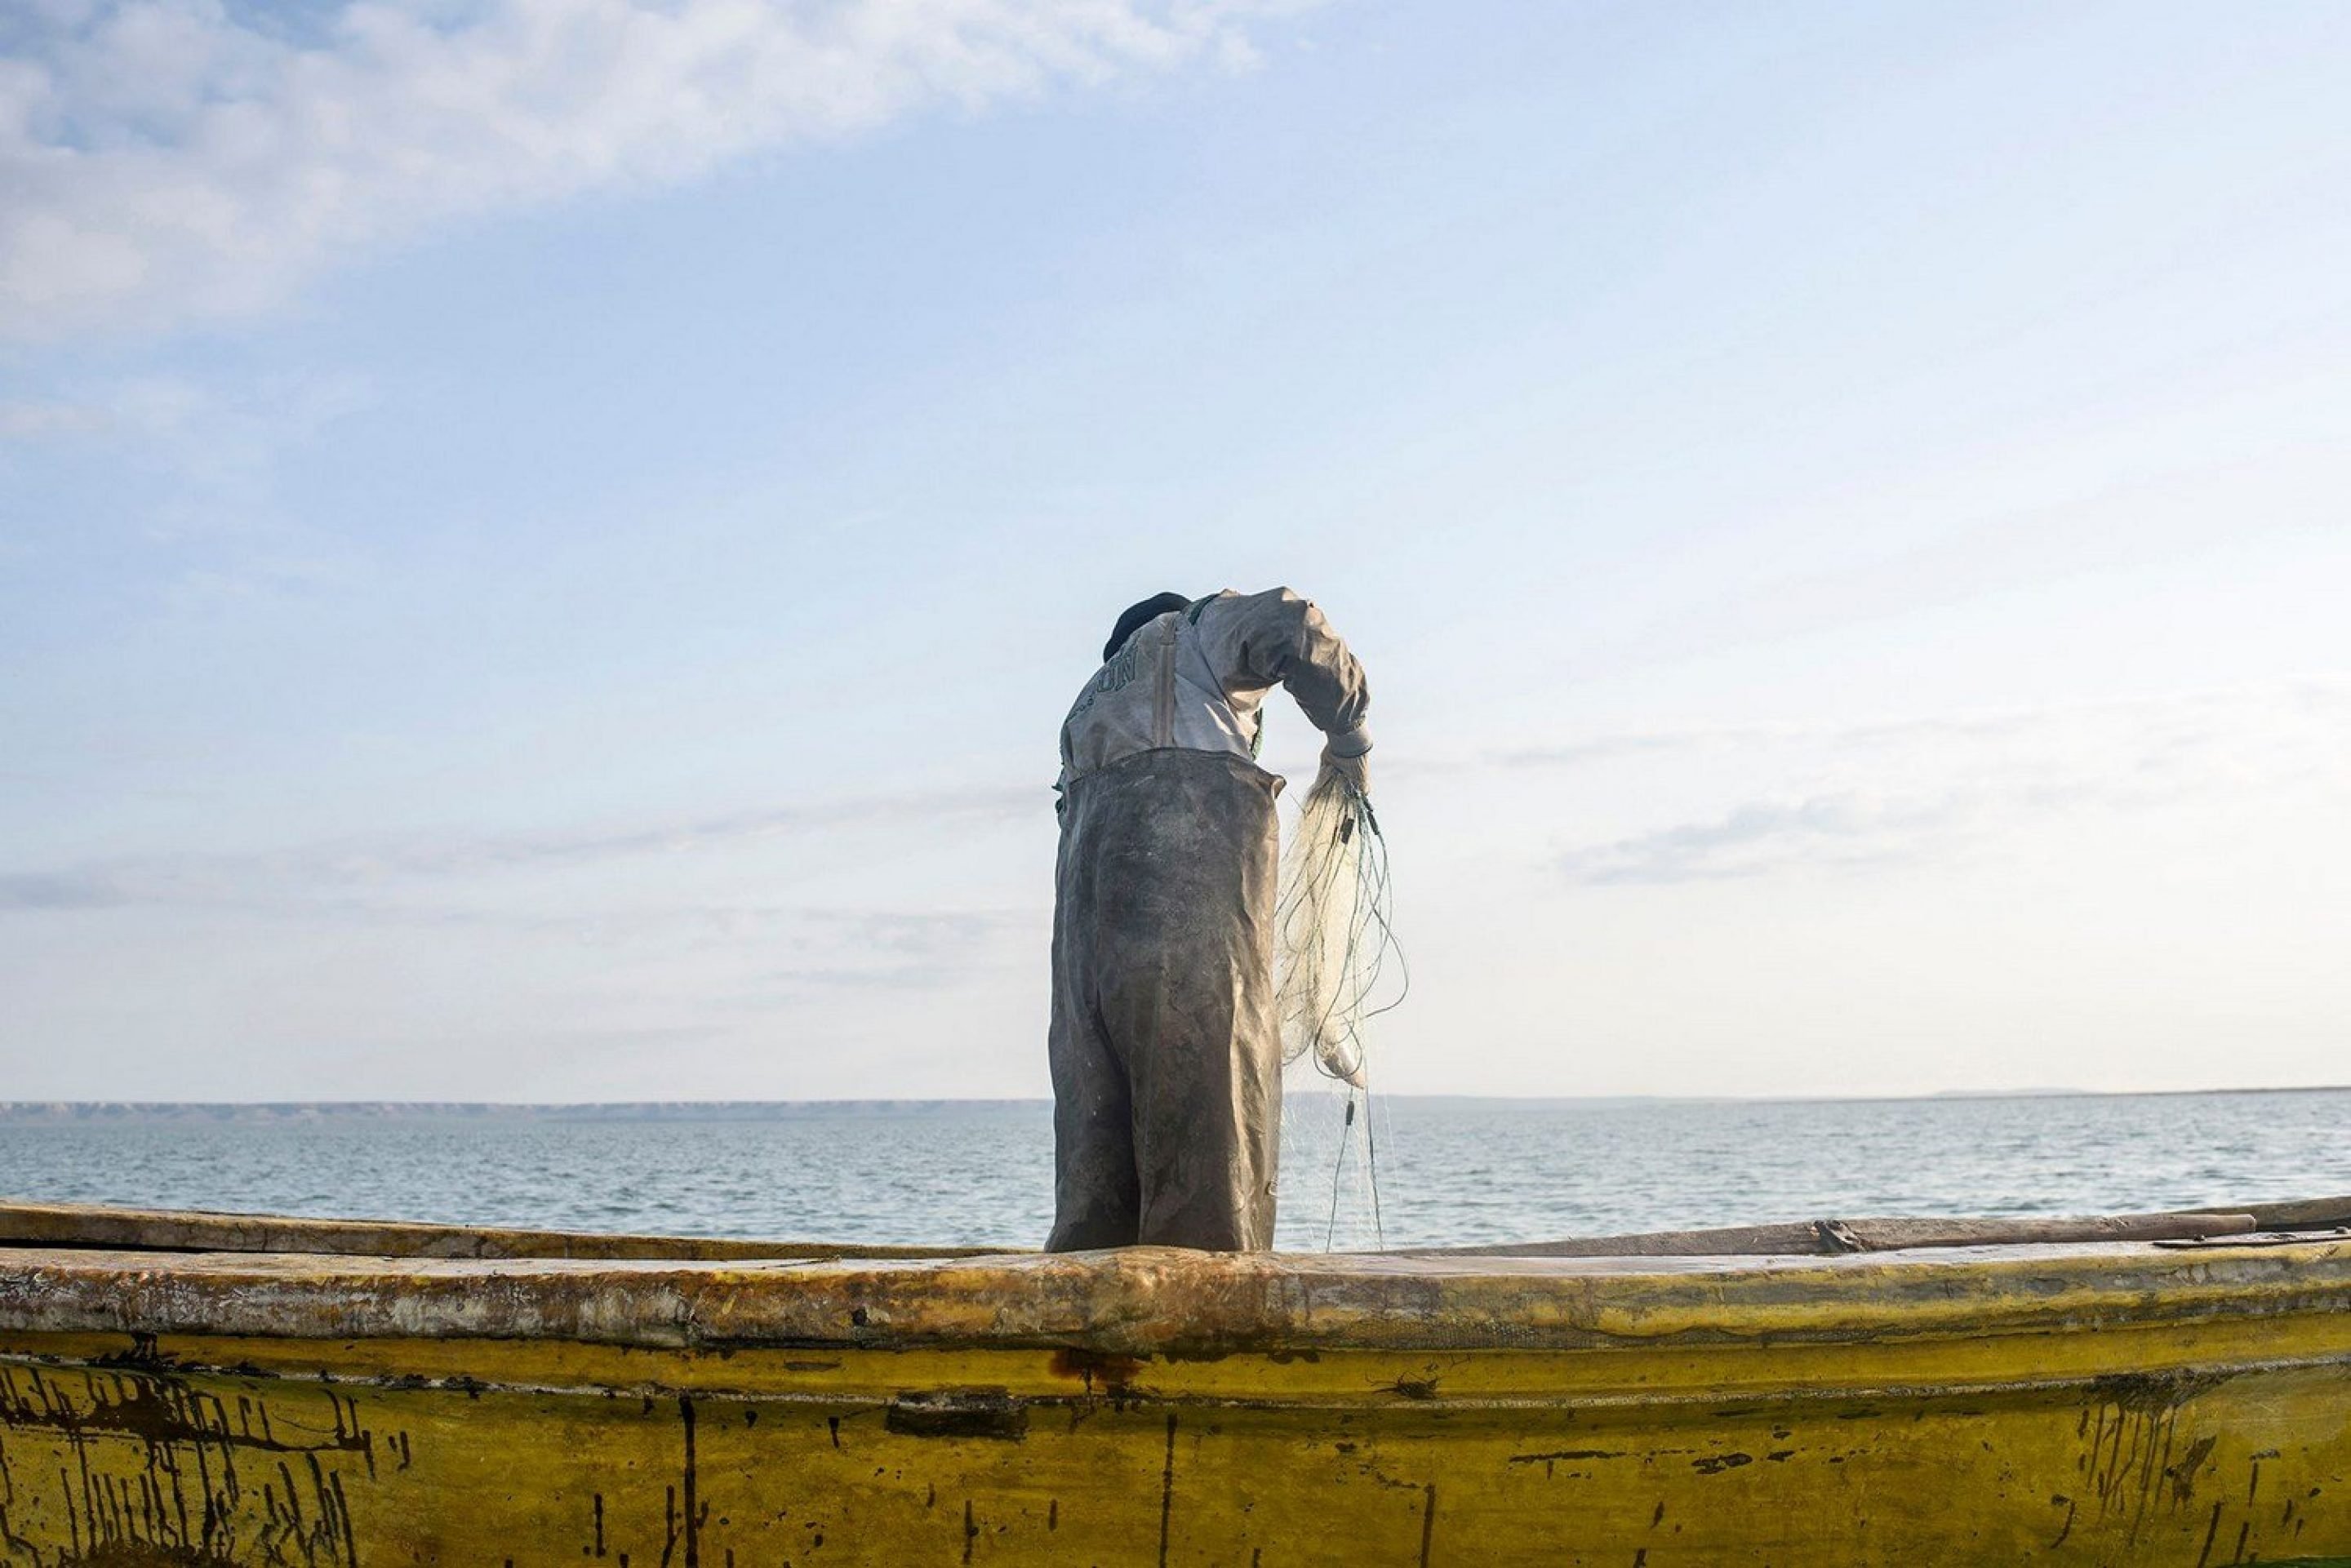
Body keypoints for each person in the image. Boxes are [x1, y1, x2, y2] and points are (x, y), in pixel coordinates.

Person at [1046, 588, 1372, 1251]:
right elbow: (1292, 625)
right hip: (1187, 945)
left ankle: (1089, 1335)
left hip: (1085, 977)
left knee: (1098, 1165)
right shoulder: (1192, 632)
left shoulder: (1082, 714)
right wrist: (1349, 735)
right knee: (1213, 1141)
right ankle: (1212, 1336)